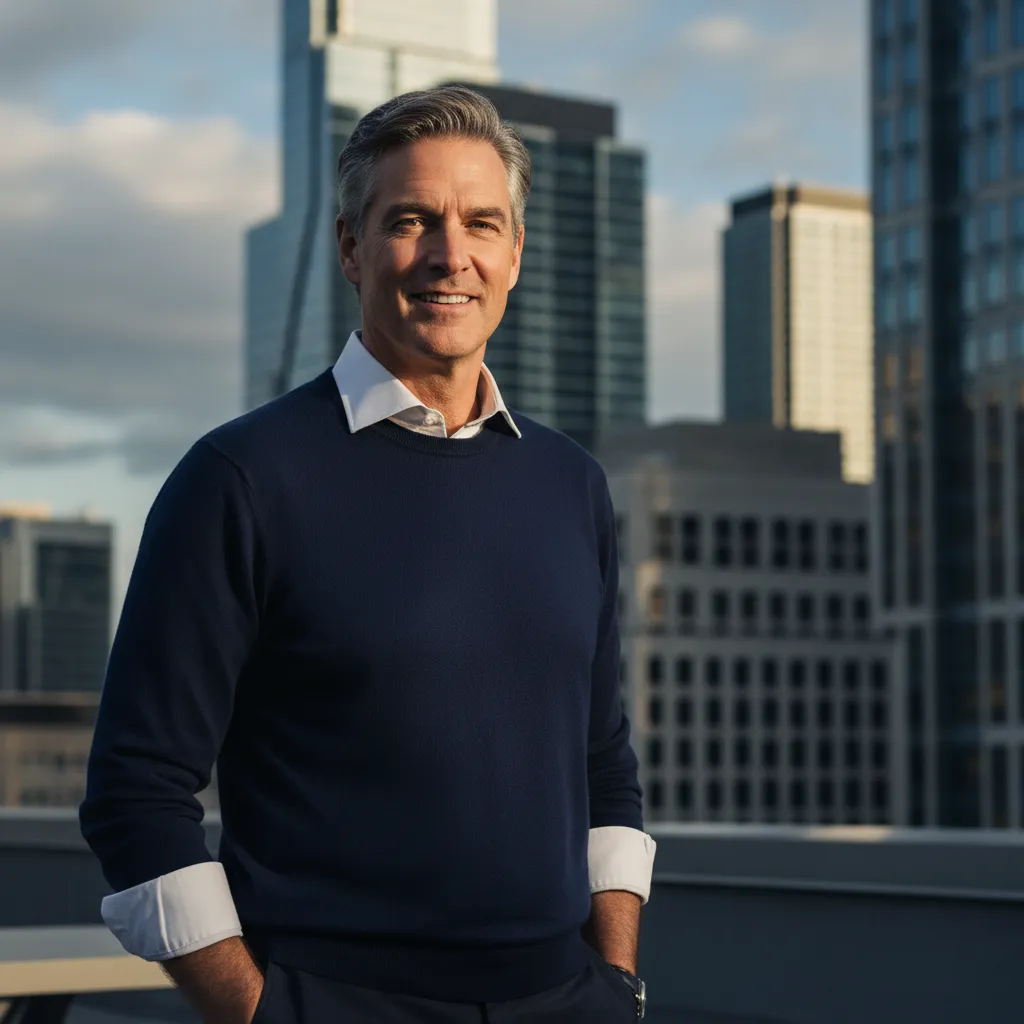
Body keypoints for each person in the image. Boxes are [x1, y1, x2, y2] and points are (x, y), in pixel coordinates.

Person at [80, 84, 655, 1024]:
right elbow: (134, 792)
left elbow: (602, 763)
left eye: (481, 223)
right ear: (352, 247)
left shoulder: (571, 484)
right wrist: (262, 1014)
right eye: (411, 220)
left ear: (515, 253)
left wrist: (618, 983)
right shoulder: (241, 478)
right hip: (340, 1001)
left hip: (567, 999)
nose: (449, 255)